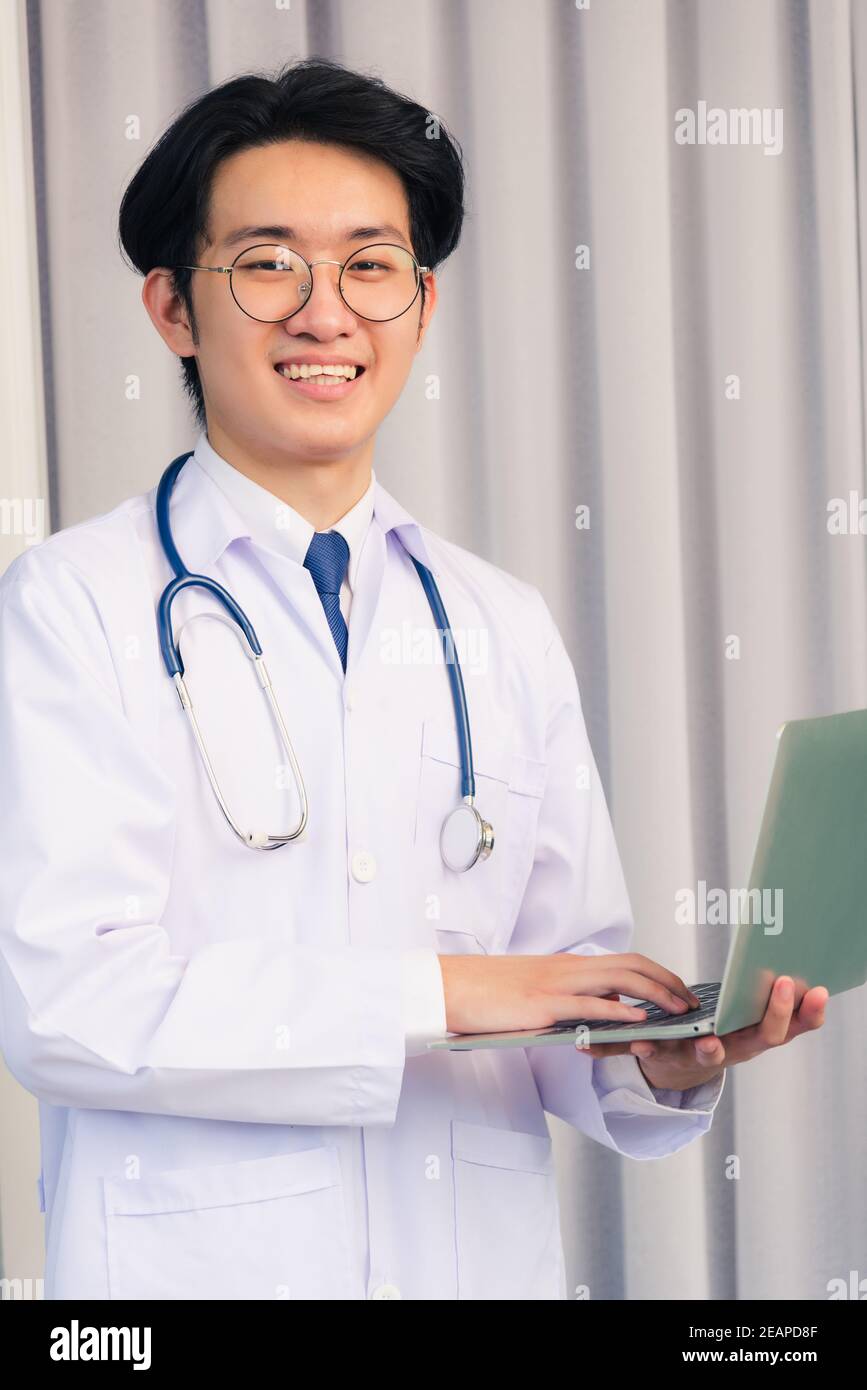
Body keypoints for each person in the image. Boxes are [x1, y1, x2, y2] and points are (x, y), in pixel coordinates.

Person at [0, 57, 827, 1302]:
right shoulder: (72, 602)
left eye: (372, 266)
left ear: (422, 308)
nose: (326, 313)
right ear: (173, 308)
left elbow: (562, 985)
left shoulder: (498, 620)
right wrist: (444, 991)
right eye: (270, 263)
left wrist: (661, 1054)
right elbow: (68, 1001)